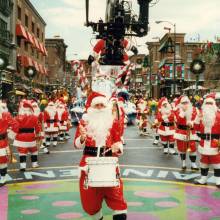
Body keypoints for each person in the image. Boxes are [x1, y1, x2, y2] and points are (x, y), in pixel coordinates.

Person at [74, 92, 127, 220]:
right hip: (88, 165)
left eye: (102, 105)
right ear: (91, 108)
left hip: (109, 164)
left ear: (106, 107)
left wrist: (117, 147)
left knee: (117, 197)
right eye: (96, 105)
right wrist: (81, 138)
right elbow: (77, 145)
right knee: (90, 201)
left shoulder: (113, 122)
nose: (99, 108)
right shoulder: (84, 122)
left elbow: (118, 141)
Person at [194, 93, 220, 187]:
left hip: (215, 143)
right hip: (203, 142)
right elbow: (195, 125)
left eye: (210, 103)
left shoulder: (219, 114)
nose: (208, 105)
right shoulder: (200, 115)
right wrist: (193, 121)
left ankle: (218, 180)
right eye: (207, 103)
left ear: (214, 104)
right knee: (204, 161)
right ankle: (203, 178)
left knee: (217, 161)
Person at [13, 100, 41, 171]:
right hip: (31, 136)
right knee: (34, 150)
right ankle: (34, 164)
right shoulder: (34, 117)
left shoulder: (17, 117)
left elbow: (15, 127)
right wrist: (38, 135)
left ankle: (23, 166)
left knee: (22, 152)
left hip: (20, 137)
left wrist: (12, 136)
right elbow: (37, 128)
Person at [174, 96, 199, 171]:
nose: (185, 104)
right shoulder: (177, 111)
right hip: (181, 132)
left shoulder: (194, 109)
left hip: (191, 131)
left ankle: (193, 163)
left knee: (192, 148)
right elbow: (177, 121)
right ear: (181, 104)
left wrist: (192, 123)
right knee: (182, 148)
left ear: (189, 103)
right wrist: (182, 114)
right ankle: (183, 163)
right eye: (183, 103)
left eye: (186, 102)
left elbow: (197, 120)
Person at [0, 101, 16, 186]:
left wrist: (9, 135)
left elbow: (15, 125)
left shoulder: (6, 115)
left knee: (2, 161)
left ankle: (3, 177)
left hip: (1, 142)